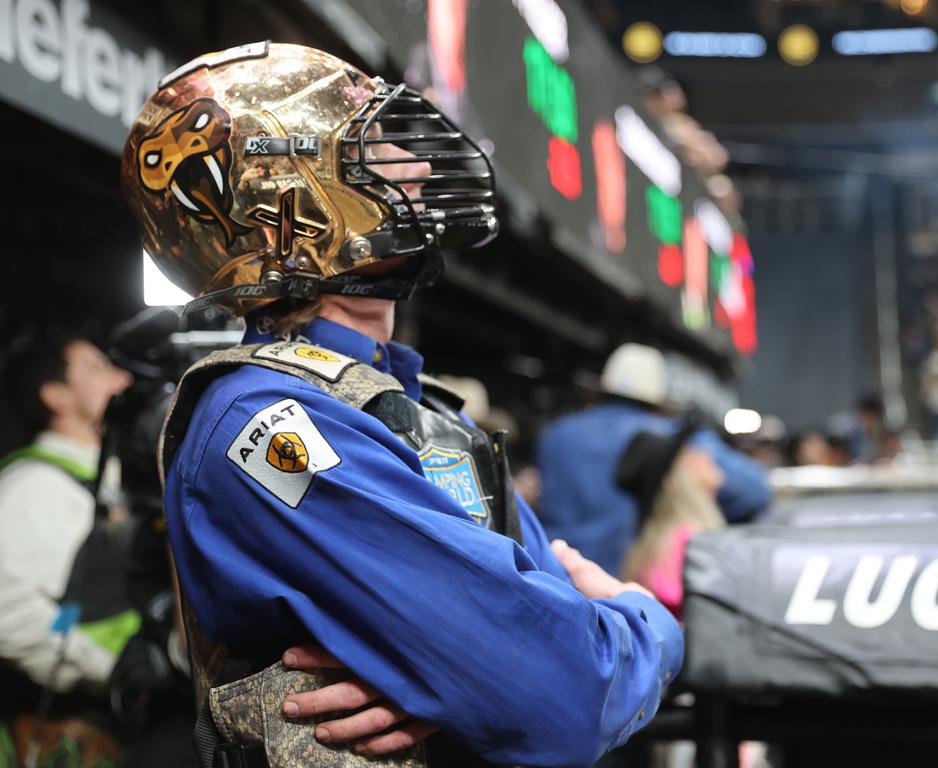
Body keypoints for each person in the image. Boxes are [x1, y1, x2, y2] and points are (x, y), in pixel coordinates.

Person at [121, 42, 683, 768]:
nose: (417, 167)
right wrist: (649, 621)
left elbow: (535, 666)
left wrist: (452, 688)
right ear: (289, 195)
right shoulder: (263, 422)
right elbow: (569, 690)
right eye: (376, 150)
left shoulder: (423, 409)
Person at [0, 329, 134, 767]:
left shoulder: (115, 477)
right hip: (84, 721)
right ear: (56, 396)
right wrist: (110, 668)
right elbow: (9, 612)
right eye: (97, 369)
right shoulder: (32, 486)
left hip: (134, 711)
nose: (121, 379)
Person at [536, 343, 771, 576]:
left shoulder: (556, 434)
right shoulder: (669, 439)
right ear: (658, 399)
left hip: (555, 573)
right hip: (627, 581)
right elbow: (754, 491)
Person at [617, 426, 726, 618]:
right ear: (670, 481)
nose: (703, 454)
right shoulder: (685, 543)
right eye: (687, 455)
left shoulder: (670, 540)